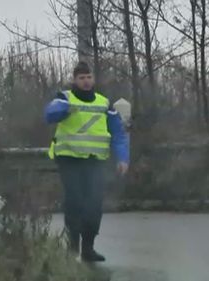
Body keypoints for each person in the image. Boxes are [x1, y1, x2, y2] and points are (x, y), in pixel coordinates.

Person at [44, 61, 130, 262]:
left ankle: (88, 248)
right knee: (75, 201)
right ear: (74, 80)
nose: (86, 81)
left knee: (94, 205)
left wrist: (123, 158)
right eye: (81, 78)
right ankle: (73, 248)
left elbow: (118, 133)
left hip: (94, 161)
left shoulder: (103, 103)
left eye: (89, 77)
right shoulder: (65, 98)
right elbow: (49, 116)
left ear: (93, 79)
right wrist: (60, 108)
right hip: (69, 159)